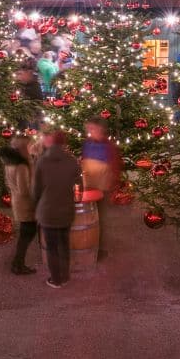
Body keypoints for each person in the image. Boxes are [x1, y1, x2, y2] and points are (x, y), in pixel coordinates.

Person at [32, 130, 81, 289]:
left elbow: (36, 190)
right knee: (64, 244)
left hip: (48, 212)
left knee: (52, 247)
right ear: (64, 143)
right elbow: (79, 185)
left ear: (51, 143)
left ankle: (56, 279)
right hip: (66, 210)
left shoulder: (42, 161)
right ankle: (65, 276)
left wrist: (36, 206)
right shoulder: (72, 161)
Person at [80, 118, 121, 261]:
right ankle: (86, 243)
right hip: (88, 186)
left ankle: (98, 248)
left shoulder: (108, 146)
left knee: (99, 218)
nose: (90, 132)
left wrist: (113, 186)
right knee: (87, 217)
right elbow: (83, 162)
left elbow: (115, 167)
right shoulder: (87, 143)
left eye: (93, 129)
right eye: (89, 129)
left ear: (101, 129)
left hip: (102, 189)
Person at [1, 136, 37, 275]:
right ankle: (18, 264)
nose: (31, 149)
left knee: (25, 234)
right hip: (25, 204)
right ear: (23, 149)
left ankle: (17, 263)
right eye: (29, 146)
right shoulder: (21, 166)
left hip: (17, 201)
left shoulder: (10, 163)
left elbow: (9, 183)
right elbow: (24, 190)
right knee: (27, 234)